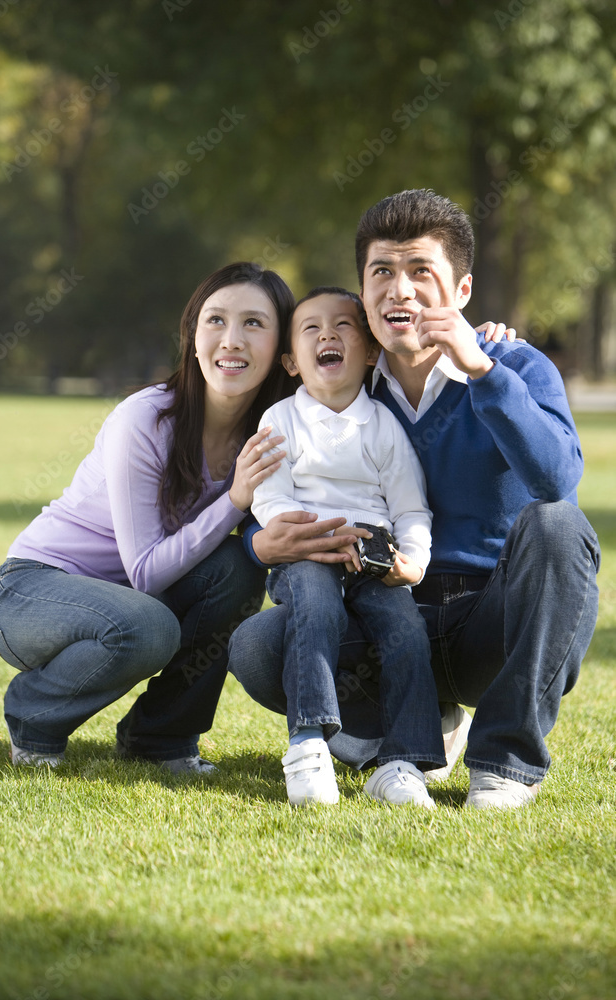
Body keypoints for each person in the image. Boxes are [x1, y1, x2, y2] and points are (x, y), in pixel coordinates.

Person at [229, 189, 600, 810]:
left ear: (461, 291)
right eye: (382, 272)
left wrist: (481, 371)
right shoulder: (339, 386)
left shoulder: (513, 365)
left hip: (489, 624)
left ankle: (503, 761)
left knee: (559, 526)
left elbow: (554, 482)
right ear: (363, 296)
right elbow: (285, 490)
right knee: (257, 646)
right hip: (381, 613)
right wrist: (255, 538)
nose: (398, 289)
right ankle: (393, 730)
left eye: (420, 271)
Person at [0, 261, 294, 771]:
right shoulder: (146, 418)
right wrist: (235, 499)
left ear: (284, 352)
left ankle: (162, 740)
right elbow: (146, 573)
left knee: (239, 567)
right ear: (192, 337)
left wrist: (467, 342)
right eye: (214, 320)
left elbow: (349, 372)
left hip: (126, 600)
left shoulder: (269, 432)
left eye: (254, 323)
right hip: (33, 592)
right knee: (149, 625)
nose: (231, 340)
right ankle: (33, 717)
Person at [251, 287, 441, 808]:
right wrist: (304, 534)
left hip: (374, 554)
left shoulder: (382, 426)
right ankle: (309, 742)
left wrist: (413, 562)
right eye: (311, 328)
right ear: (291, 361)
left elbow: (410, 508)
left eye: (343, 326)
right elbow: (268, 497)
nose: (327, 334)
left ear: (372, 352)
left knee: (406, 630)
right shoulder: (279, 421)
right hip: (308, 548)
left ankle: (403, 763)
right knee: (315, 611)